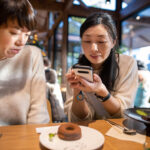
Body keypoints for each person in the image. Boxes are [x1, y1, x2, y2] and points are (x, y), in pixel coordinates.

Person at [64, 12, 138, 122]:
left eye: (101, 41)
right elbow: (79, 118)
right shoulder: (75, 71)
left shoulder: (127, 64)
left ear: (113, 42)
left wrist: (101, 91)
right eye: (87, 41)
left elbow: (124, 114)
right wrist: (77, 92)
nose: (93, 48)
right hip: (90, 133)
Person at [0, 0, 49, 125]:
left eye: (27, 34)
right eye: (14, 33)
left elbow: (39, 114)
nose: (22, 42)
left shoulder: (32, 56)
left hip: (23, 138)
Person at [43, 56, 67, 122]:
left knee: (56, 110)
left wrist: (44, 83)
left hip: (53, 93)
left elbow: (53, 83)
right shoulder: (42, 71)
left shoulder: (51, 72)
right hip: (46, 92)